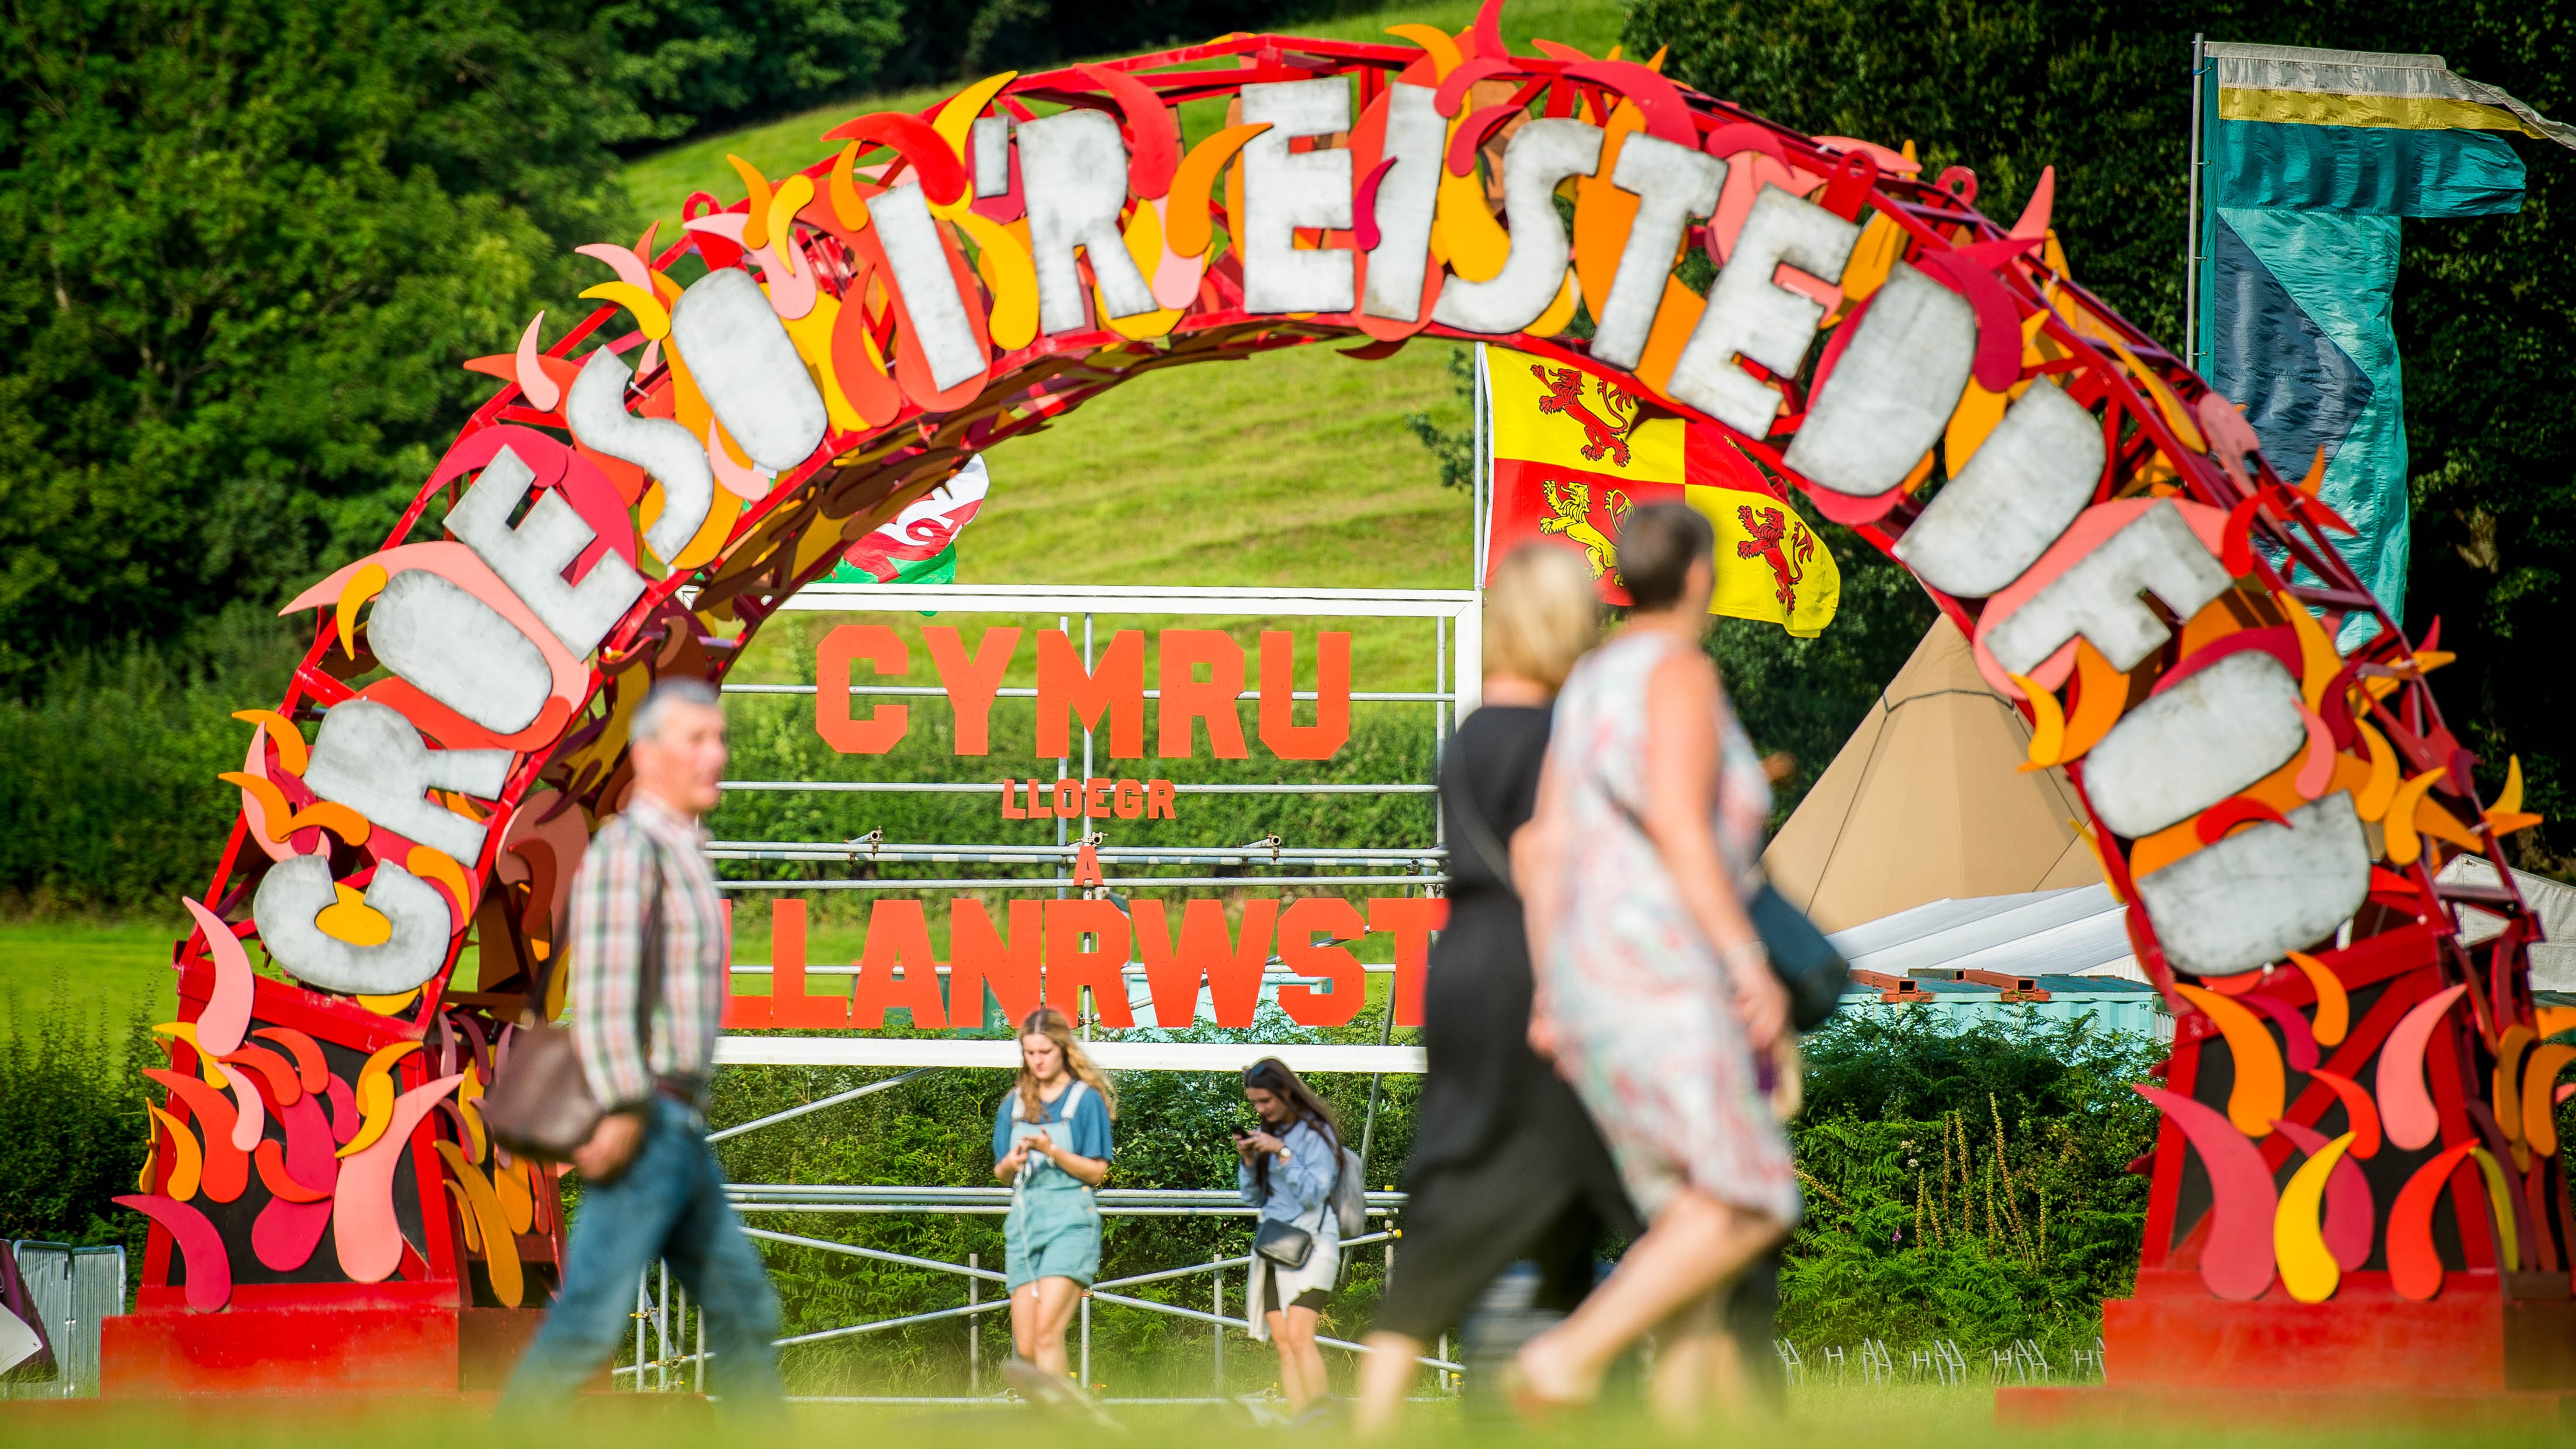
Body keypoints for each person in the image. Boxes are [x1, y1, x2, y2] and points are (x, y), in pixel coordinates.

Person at [1510, 503, 1798, 1428]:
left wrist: (1551, 988)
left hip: (1591, 976)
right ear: (1704, 575)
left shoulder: (1589, 680)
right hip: (1665, 972)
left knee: (1689, 1229)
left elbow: (1543, 841)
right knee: (1756, 1199)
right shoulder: (1676, 672)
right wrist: (1748, 957)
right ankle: (1564, 1356)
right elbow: (1680, 822)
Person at [1353, 545, 1639, 1437]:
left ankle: (1372, 1420)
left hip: (1463, 968)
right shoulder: (1568, 737)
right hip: (1541, 965)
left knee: (1451, 1175)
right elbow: (1548, 861)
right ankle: (1593, 1368)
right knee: (1624, 1190)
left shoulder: (1468, 736)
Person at [501, 678, 784, 1415]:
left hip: (677, 1124)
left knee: (747, 1315)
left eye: (719, 738)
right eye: (696, 739)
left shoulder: (685, 850)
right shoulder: (632, 850)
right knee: (587, 1325)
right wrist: (624, 1105)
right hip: (648, 1116)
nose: (716, 754)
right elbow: (600, 987)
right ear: (646, 754)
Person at [993, 1006, 1115, 1397]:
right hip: (1025, 1224)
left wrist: (1052, 1149)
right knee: (1027, 1346)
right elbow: (1000, 1171)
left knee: (1047, 1334)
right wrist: (1012, 1162)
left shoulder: (1086, 1100)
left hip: (1071, 1221)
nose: (1038, 1060)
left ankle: (1064, 1432)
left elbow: (1097, 1170)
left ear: (1063, 1048)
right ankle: (1065, 1416)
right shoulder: (1013, 1102)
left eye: (1045, 1051)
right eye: (1030, 1052)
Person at [1236, 1057, 1346, 1420]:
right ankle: (1303, 1429)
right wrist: (1250, 1161)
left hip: (1315, 1242)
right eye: (1254, 1103)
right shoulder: (1269, 1133)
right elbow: (1253, 1199)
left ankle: (1323, 1427)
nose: (1260, 1109)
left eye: (1265, 1101)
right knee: (1284, 1344)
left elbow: (1315, 1192)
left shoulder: (1317, 1132)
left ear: (1285, 1091)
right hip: (1275, 1244)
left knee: (1301, 1336)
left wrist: (1283, 1154)